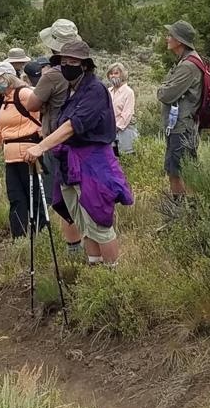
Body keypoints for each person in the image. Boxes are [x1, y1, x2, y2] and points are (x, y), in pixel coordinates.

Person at [28, 38, 133, 266]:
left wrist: (41, 146)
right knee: (84, 224)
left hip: (92, 164)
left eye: (73, 60)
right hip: (70, 163)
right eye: (64, 60)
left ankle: (113, 277)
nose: (67, 64)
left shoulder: (94, 90)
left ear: (85, 64)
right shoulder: (72, 89)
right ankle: (95, 268)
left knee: (99, 222)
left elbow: (72, 126)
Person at [25, 19, 85, 252]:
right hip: (83, 140)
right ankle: (93, 250)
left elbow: (32, 104)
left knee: (63, 199)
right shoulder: (84, 72)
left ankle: (74, 248)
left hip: (56, 141)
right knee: (85, 196)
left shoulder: (52, 76)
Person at [0, 61, 43, 237]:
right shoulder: (4, 100)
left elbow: (44, 113)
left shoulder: (24, 93)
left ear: (8, 78)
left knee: (34, 197)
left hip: (29, 155)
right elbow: (0, 128)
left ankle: (40, 233)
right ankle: (19, 237)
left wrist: (42, 137)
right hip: (11, 157)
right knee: (16, 198)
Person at [156, 21, 203, 204]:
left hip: (181, 126)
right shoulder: (188, 61)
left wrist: (162, 89)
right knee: (180, 168)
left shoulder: (187, 66)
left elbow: (166, 94)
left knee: (177, 170)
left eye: (171, 35)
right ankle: (186, 210)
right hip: (182, 125)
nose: (167, 38)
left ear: (180, 41)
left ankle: (182, 211)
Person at [106, 62, 137, 156]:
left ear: (122, 74)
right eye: (111, 74)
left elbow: (127, 114)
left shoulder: (128, 92)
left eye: (116, 73)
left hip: (124, 133)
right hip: (109, 133)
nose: (113, 76)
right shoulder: (108, 91)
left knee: (126, 160)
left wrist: (115, 128)